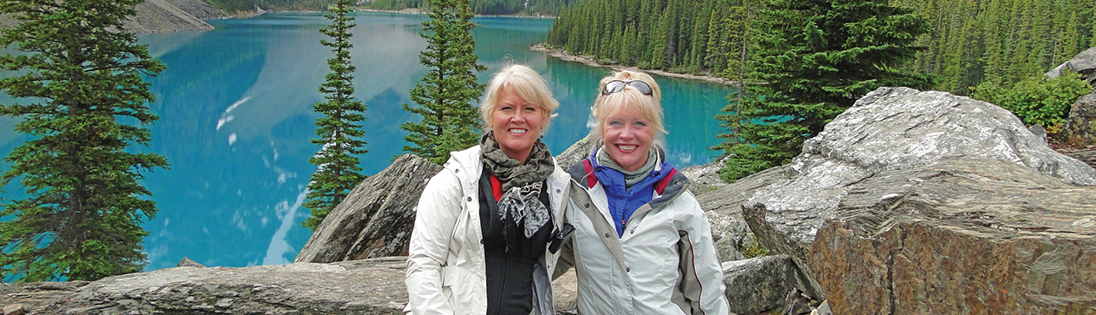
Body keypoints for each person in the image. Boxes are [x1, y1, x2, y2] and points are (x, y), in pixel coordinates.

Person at [556, 70, 730, 314]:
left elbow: (706, 290)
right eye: (615, 122)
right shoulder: (576, 191)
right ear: (601, 127)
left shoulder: (679, 202)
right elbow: (550, 260)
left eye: (639, 123)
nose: (627, 135)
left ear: (653, 128)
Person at [404, 64, 572, 315]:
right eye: (507, 108)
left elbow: (558, 257)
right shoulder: (456, 180)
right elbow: (423, 263)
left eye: (529, 109)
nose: (518, 118)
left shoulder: (556, 183)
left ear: (543, 117)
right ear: (491, 115)